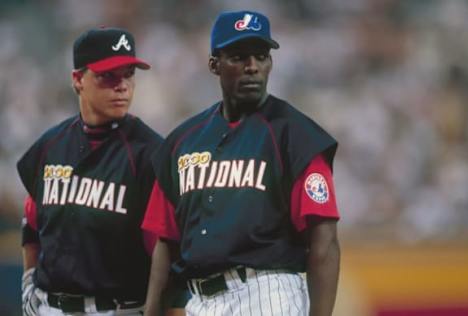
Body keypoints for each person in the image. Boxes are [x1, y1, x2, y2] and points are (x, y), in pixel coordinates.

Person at [142, 10, 341, 316]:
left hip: (268, 292)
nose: (252, 67)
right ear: (214, 65)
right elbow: (166, 241)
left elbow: (324, 242)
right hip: (200, 301)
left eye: (261, 56)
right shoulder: (182, 142)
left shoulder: (297, 135)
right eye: (238, 57)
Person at [18, 27, 164, 316]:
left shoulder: (150, 153)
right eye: (107, 76)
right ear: (77, 80)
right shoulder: (50, 146)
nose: (121, 86)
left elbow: (165, 250)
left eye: (128, 75)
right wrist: (27, 281)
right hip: (49, 307)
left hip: (117, 309)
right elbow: (31, 226)